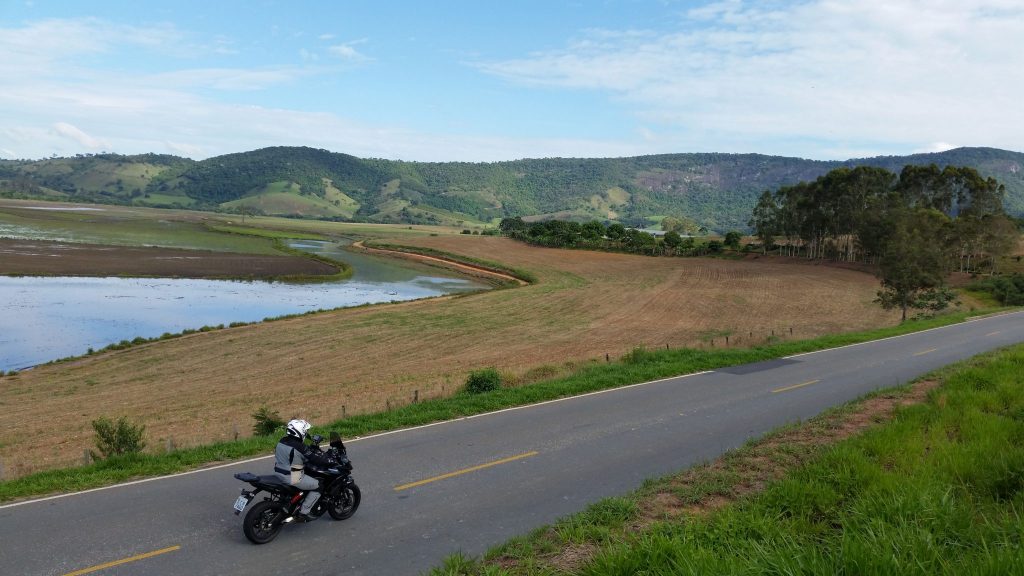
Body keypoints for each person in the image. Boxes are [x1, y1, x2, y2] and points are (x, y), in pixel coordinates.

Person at [274, 418, 330, 522]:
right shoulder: (300, 447)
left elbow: (295, 455)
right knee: (318, 486)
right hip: (292, 477)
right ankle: (304, 512)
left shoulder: (282, 440)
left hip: (278, 471)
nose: (306, 433)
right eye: (305, 431)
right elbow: (315, 459)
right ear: (299, 432)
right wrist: (328, 461)